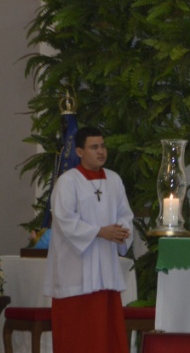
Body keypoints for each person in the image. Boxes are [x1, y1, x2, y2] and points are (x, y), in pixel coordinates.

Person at [44, 126, 134, 353]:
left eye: (103, 146)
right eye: (94, 147)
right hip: (76, 272)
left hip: (105, 270)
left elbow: (125, 214)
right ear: (80, 151)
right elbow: (65, 220)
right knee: (79, 337)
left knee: (107, 337)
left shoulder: (114, 179)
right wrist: (100, 232)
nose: (101, 151)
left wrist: (120, 231)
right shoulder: (68, 181)